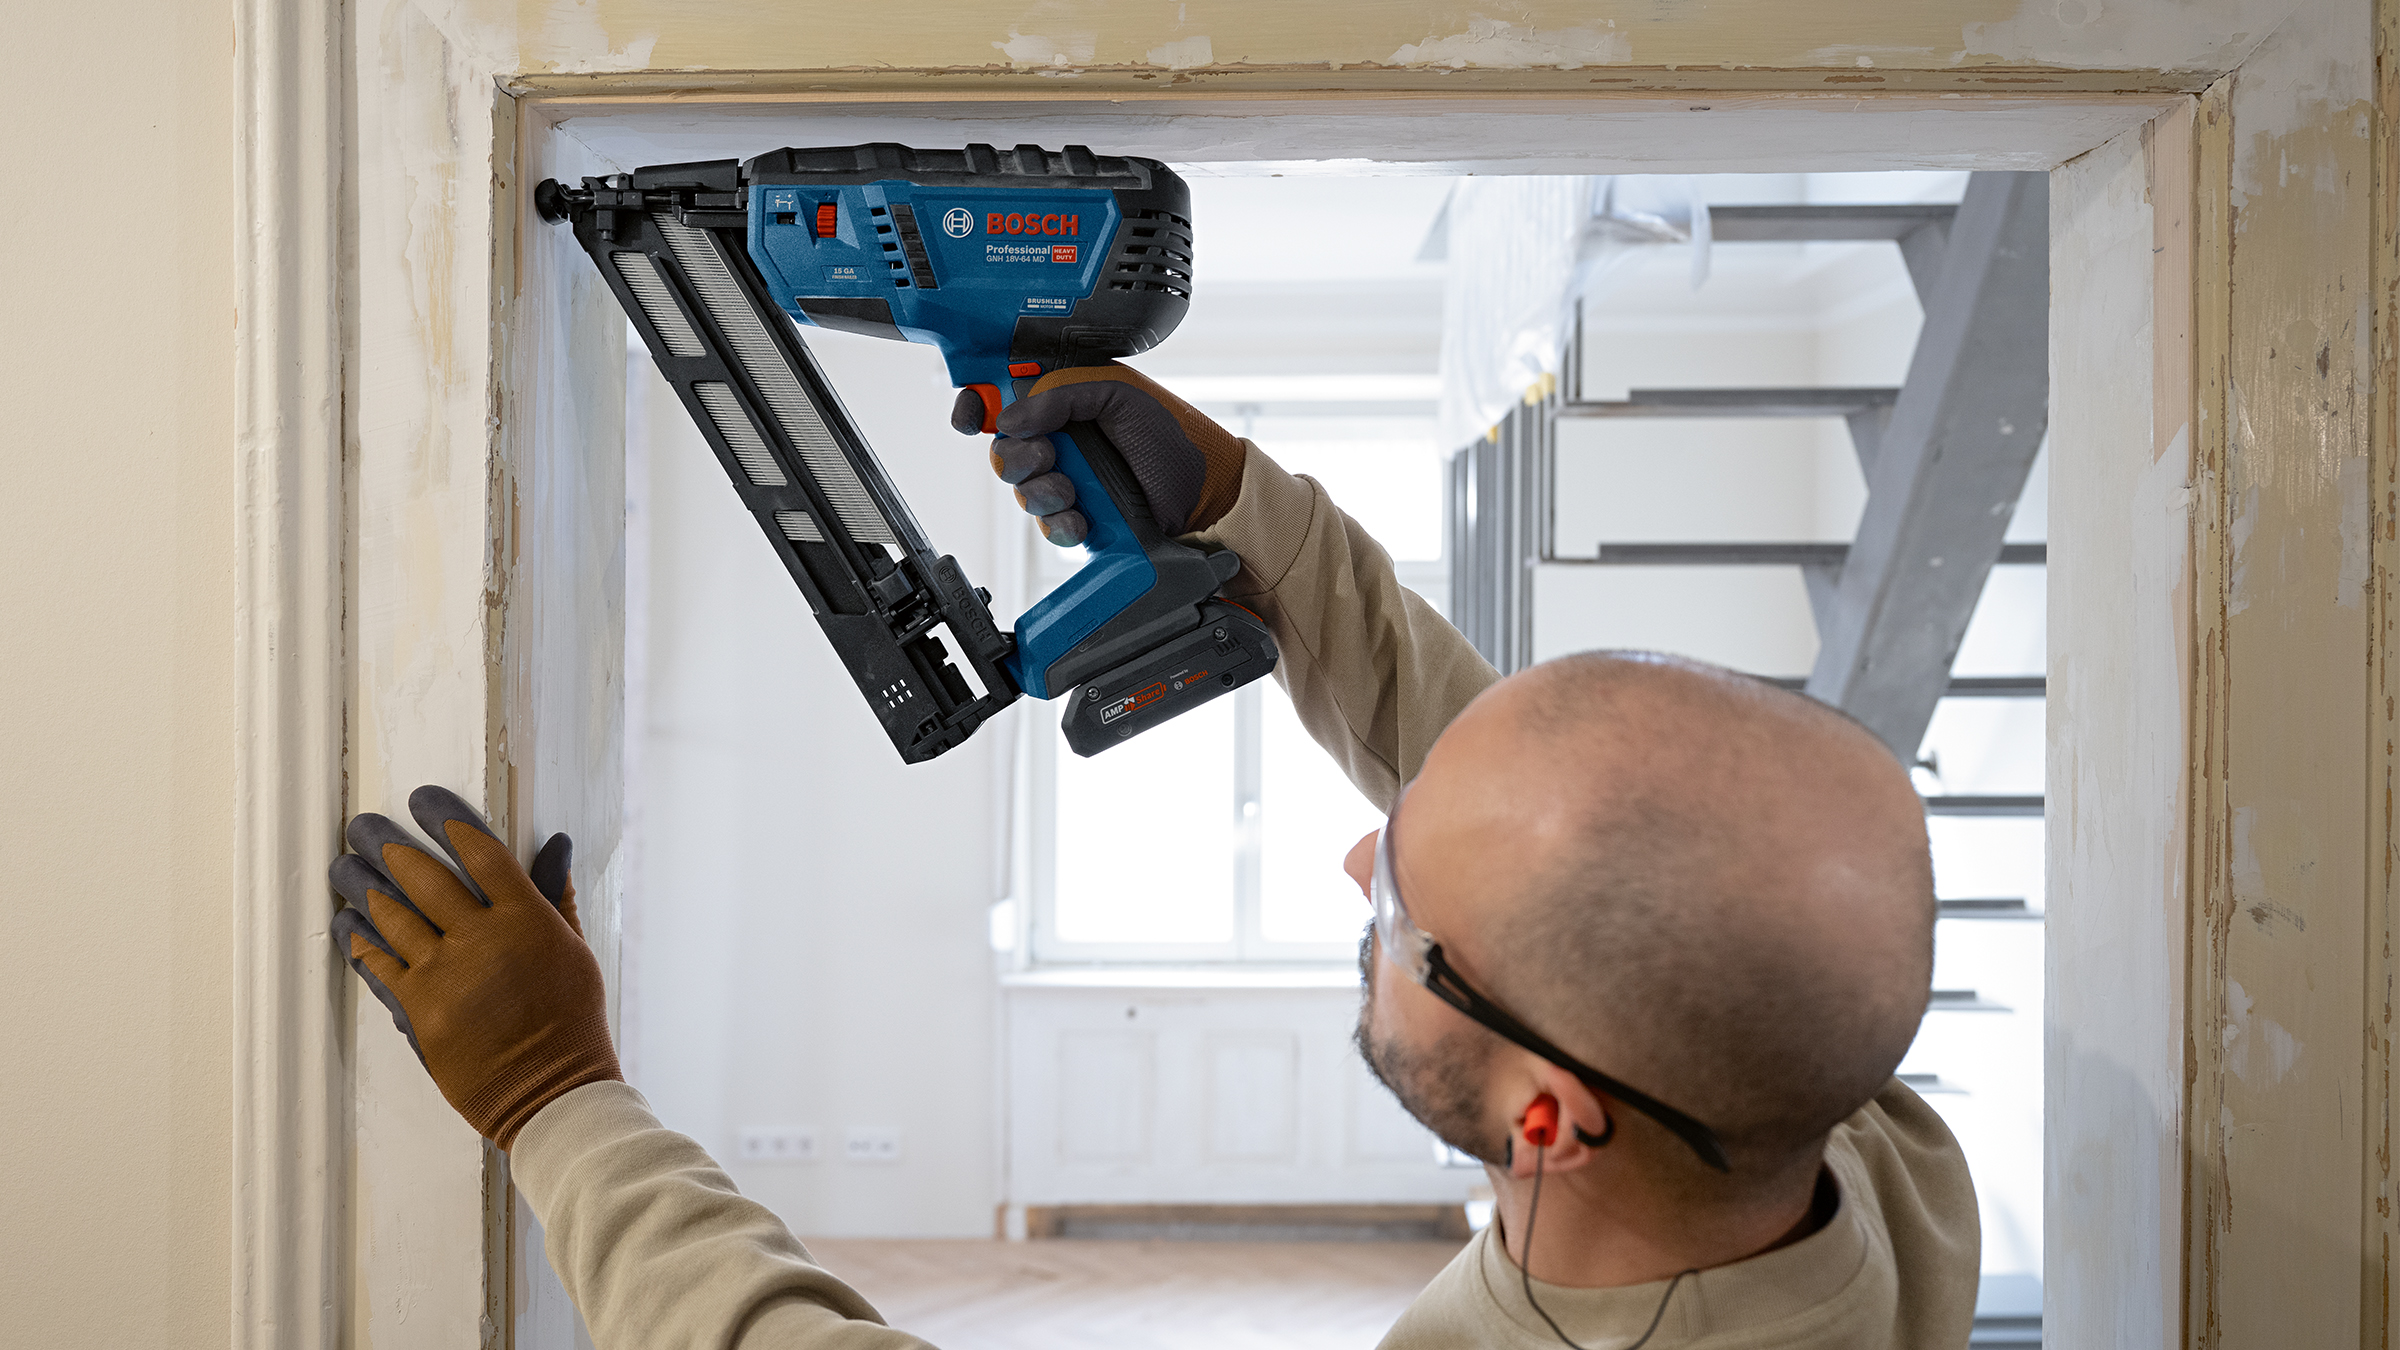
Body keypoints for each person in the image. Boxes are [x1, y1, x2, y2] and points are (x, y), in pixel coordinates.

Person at [328, 365, 1980, 1349]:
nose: (1360, 863)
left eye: (1410, 914)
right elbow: (1545, 804)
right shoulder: (1846, 1141)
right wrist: (1254, 508)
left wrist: (554, 1094)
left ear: (1547, 1119)